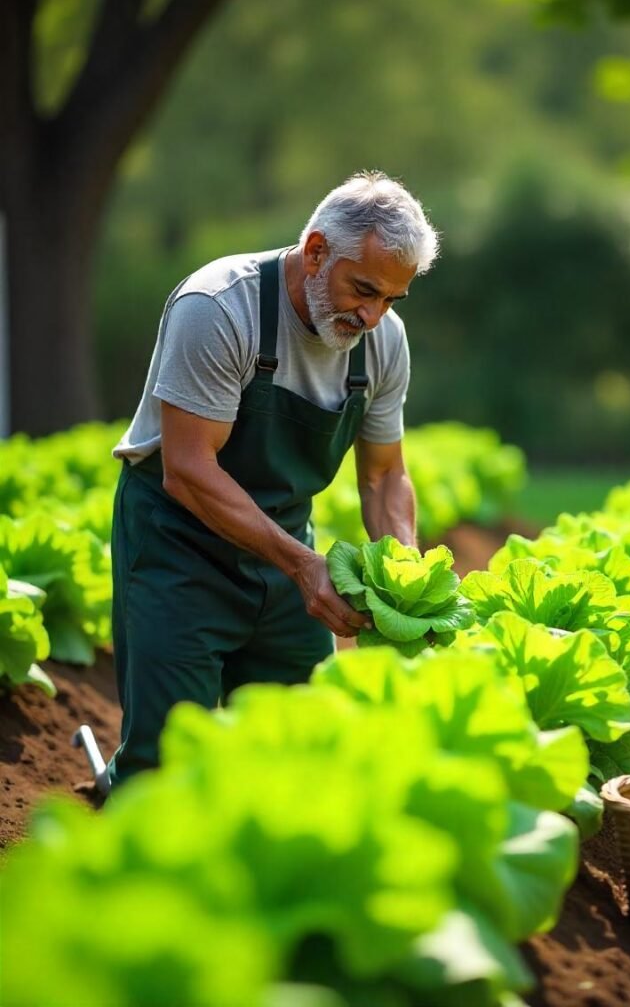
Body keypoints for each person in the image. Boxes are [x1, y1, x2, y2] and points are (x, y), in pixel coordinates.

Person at [106, 171, 439, 788]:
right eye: (362, 289)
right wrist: (304, 567)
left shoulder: (382, 342)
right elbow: (188, 470)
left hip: (284, 546)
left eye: (391, 299)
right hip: (178, 547)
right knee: (166, 763)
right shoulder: (219, 308)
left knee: (297, 758)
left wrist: (405, 574)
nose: (372, 316)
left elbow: (386, 475)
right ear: (316, 251)